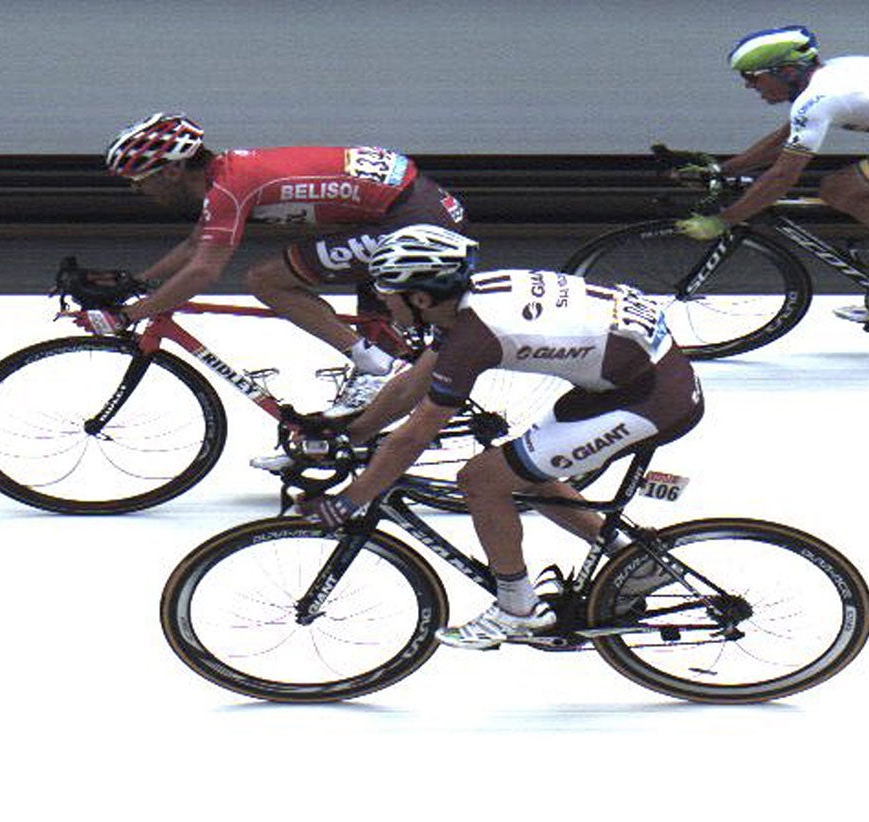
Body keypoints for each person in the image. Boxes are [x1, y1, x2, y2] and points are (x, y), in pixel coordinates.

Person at [297, 225, 704, 649]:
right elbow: (408, 387)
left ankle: (518, 610)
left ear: (419, 298)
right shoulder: (463, 306)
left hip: (651, 400)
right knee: (522, 469)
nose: (379, 297)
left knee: (482, 479)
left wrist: (350, 500)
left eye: (386, 290)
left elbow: (414, 435)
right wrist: (352, 432)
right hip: (636, 382)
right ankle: (633, 562)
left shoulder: (473, 336)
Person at [79, 113, 469, 414]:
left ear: (172, 170)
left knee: (266, 280)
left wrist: (130, 314)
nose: (137, 190)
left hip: (412, 217)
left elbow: (204, 270)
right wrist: (139, 281)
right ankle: (364, 409)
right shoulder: (226, 176)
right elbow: (198, 242)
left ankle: (375, 369)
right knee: (378, 335)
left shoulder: (228, 190)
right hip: (407, 206)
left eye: (138, 179)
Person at [672, 26, 869, 325]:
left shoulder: (820, 97)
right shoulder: (829, 77)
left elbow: (783, 176)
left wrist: (724, 220)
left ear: (788, 71)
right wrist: (721, 170)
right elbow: (784, 140)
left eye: (753, 77)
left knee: (839, 190)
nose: (749, 86)